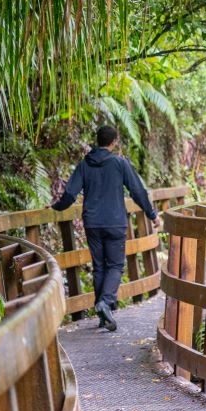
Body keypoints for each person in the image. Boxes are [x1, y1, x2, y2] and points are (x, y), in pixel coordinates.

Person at [52, 125, 158, 331]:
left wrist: (56, 207)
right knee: (116, 266)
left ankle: (103, 316)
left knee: (99, 267)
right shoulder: (120, 163)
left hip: (92, 223)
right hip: (115, 222)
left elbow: (70, 194)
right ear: (114, 142)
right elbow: (137, 191)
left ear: (97, 141)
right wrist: (152, 214)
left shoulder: (85, 164)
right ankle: (105, 302)